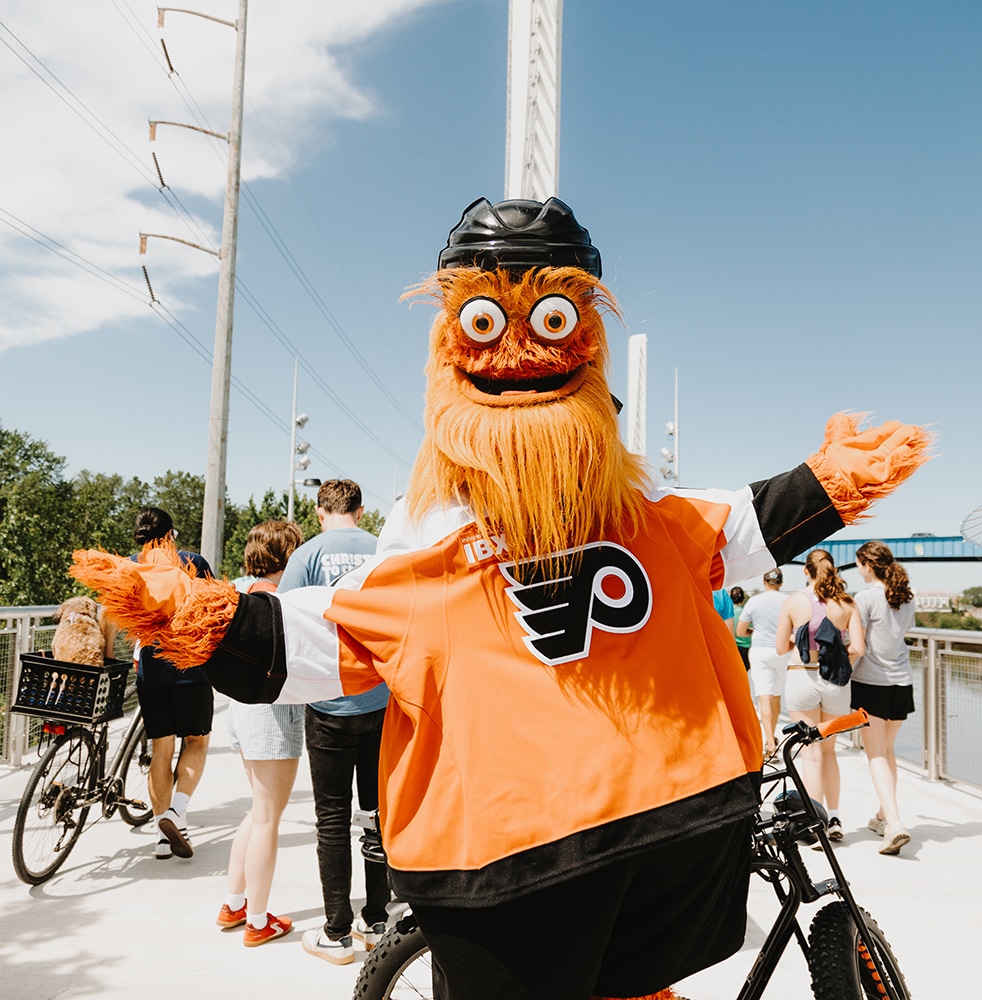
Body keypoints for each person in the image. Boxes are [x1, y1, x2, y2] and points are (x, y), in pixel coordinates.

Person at [74, 196, 931, 1000]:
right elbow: (748, 521)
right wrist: (828, 482)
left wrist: (198, 614)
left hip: (511, 853)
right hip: (655, 829)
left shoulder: (459, 548)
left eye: (551, 320)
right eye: (487, 324)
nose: (519, 351)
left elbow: (312, 638)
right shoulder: (599, 530)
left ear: (581, 337)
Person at [277, 480, 390, 966]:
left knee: (332, 820)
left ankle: (337, 931)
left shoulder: (306, 554)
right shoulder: (383, 550)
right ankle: (381, 917)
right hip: (381, 701)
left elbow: (283, 622)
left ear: (320, 511)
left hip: (328, 704)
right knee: (379, 814)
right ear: (360, 512)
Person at [218, 520, 305, 946]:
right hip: (273, 714)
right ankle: (257, 920)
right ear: (287, 557)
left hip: (241, 712)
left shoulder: (237, 590)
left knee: (255, 811)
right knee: (269, 818)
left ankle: (234, 902)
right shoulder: (279, 601)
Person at [131, 507, 214, 860]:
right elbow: (215, 608)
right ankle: (177, 813)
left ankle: (162, 834)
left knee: (160, 750)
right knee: (195, 741)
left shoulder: (131, 567)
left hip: (152, 669)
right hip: (192, 666)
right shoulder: (192, 562)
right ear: (171, 535)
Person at [776, 550, 864, 842]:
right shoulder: (847, 603)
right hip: (835, 682)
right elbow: (859, 649)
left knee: (810, 755)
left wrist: (800, 640)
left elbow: (780, 648)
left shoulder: (792, 602)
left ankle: (815, 824)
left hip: (802, 677)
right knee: (829, 752)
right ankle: (835, 817)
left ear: (806, 571)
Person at [852, 540, 916, 856]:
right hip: (902, 683)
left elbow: (857, 644)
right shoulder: (905, 598)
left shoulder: (865, 598)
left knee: (875, 754)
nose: (857, 569)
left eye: (858, 564)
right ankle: (881, 815)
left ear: (867, 564)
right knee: (888, 751)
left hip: (871, 683)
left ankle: (894, 824)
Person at [738, 568, 791, 757]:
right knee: (776, 696)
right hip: (782, 652)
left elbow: (740, 631)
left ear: (764, 582)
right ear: (781, 583)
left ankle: (769, 743)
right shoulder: (787, 600)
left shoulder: (754, 601)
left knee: (764, 697)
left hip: (760, 651)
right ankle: (772, 735)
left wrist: (755, 632)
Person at [729, 586, 751, 670]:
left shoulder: (727, 613)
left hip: (733, 648)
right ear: (744, 598)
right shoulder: (747, 613)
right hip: (747, 647)